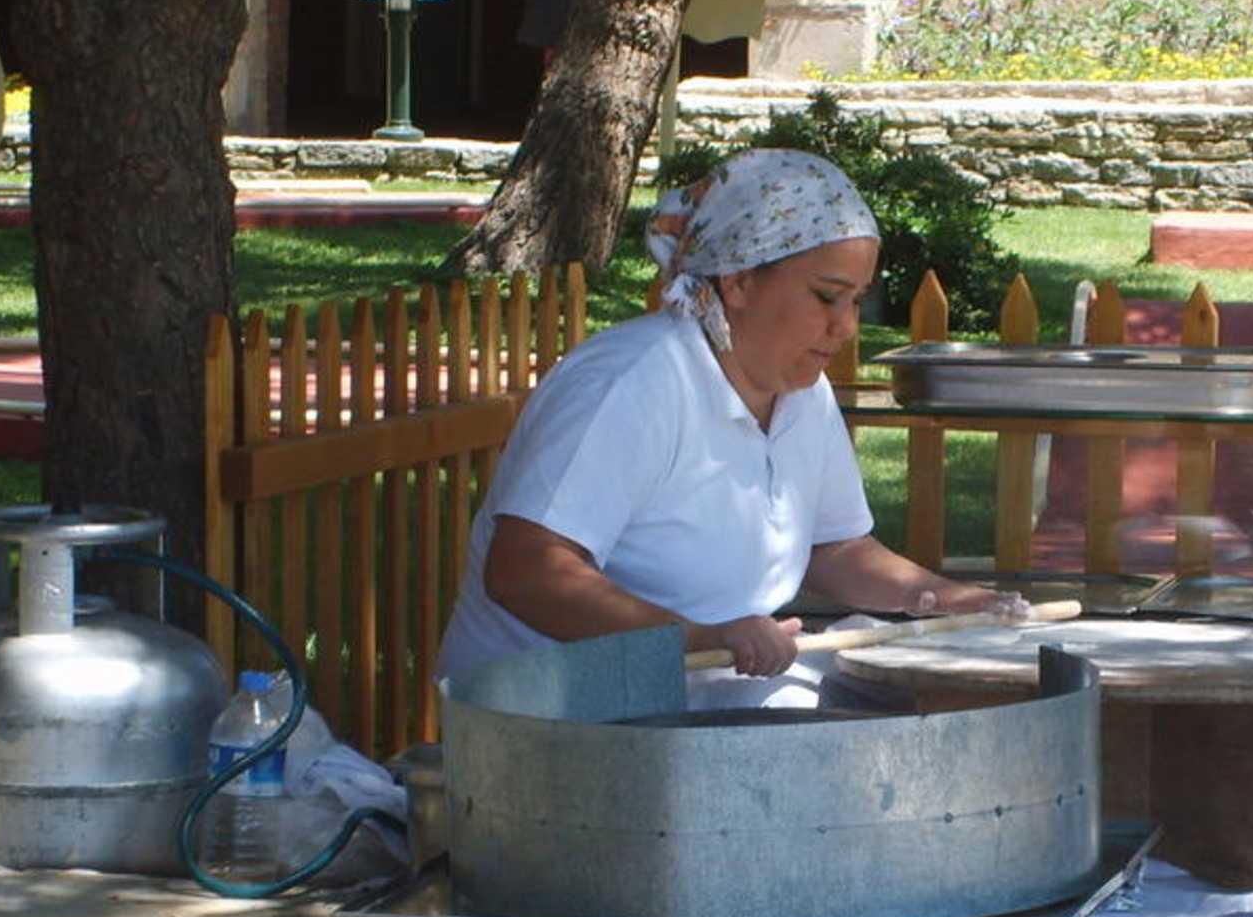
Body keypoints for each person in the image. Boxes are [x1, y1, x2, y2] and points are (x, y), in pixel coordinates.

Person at [435, 148, 1027, 707]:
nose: (846, 327)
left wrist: (938, 596)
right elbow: (527, 570)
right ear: (738, 281)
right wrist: (698, 637)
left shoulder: (802, 392)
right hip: (552, 717)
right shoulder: (632, 383)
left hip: (693, 698)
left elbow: (834, 548)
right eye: (827, 297)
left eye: (857, 302)